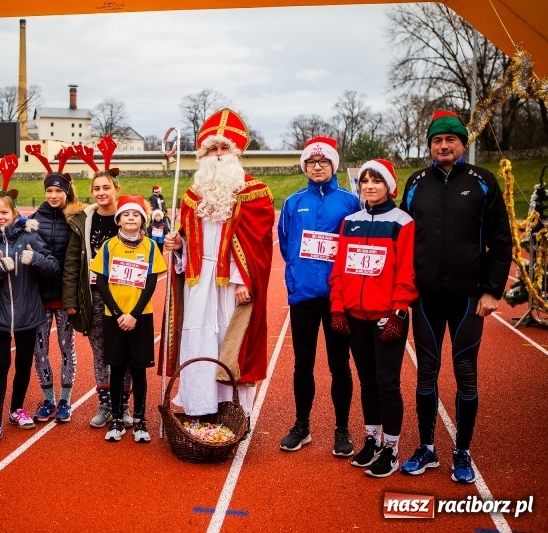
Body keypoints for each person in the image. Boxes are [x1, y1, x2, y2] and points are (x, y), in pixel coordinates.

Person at [398, 110, 511, 483]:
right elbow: (400, 238)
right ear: (430, 145)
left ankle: (462, 451)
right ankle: (427, 447)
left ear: (463, 144)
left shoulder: (483, 181)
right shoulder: (416, 183)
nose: (443, 146)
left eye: (450, 140)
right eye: (436, 141)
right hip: (426, 298)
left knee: (465, 373)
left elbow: (500, 239)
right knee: (426, 373)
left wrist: (492, 290)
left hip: (467, 299)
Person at [164, 108, 275, 430]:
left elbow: (256, 245)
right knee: (198, 339)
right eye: (212, 149)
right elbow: (189, 238)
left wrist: (243, 280)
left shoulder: (254, 192)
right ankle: (200, 407)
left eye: (224, 148)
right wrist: (178, 245)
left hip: (232, 281)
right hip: (198, 281)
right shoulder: (191, 196)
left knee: (231, 341)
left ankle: (235, 412)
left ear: (236, 152)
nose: (218, 155)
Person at [329, 159, 418, 477]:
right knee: (367, 381)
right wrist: (338, 307)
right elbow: (339, 270)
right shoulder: (350, 222)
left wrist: (398, 312)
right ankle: (372, 439)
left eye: (376, 180)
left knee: (387, 383)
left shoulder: (402, 222)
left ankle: (391, 448)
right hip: (355, 316)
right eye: (364, 180)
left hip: (386, 316)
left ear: (389, 185)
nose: (369, 185)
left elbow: (406, 273)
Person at [278, 136, 361, 456]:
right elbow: (286, 245)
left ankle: (342, 429)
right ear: (304, 167)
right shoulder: (293, 202)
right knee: (303, 364)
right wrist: (299, 277)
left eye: (323, 161)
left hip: (339, 297)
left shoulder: (349, 202)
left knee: (340, 363)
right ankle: (302, 425)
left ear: (333, 165)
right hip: (304, 297)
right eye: (311, 162)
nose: (317, 166)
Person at [0, 190, 59, 446]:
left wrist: (35, 259)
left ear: (14, 213)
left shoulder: (30, 236)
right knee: (1, 365)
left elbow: (53, 268)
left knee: (24, 363)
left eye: (4, 212)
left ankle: (16, 409)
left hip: (29, 313)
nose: (0, 217)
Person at [63, 144, 134, 429]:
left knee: (126, 352)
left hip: (125, 295)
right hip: (93, 295)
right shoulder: (83, 221)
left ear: (117, 189)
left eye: (106, 187)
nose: (102, 192)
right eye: (97, 188)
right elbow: (71, 263)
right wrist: (72, 299)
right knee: (101, 352)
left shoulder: (131, 218)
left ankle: (124, 405)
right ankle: (105, 405)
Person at [89, 196, 167, 442]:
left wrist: (133, 314)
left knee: (139, 370)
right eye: (126, 215)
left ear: (142, 220)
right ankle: (116, 421)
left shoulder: (151, 247)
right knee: (117, 369)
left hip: (141, 318)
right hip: (114, 317)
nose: (131, 218)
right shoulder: (109, 246)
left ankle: (141, 420)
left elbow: (151, 283)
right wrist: (118, 312)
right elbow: (100, 282)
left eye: (135, 215)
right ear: (119, 220)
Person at [29, 171, 80, 423]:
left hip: (64, 299)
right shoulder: (32, 220)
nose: (53, 195)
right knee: (39, 351)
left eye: (58, 191)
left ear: (67, 192)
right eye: (49, 190)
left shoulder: (75, 220)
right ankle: (48, 398)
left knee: (66, 347)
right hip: (38, 298)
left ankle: (65, 401)